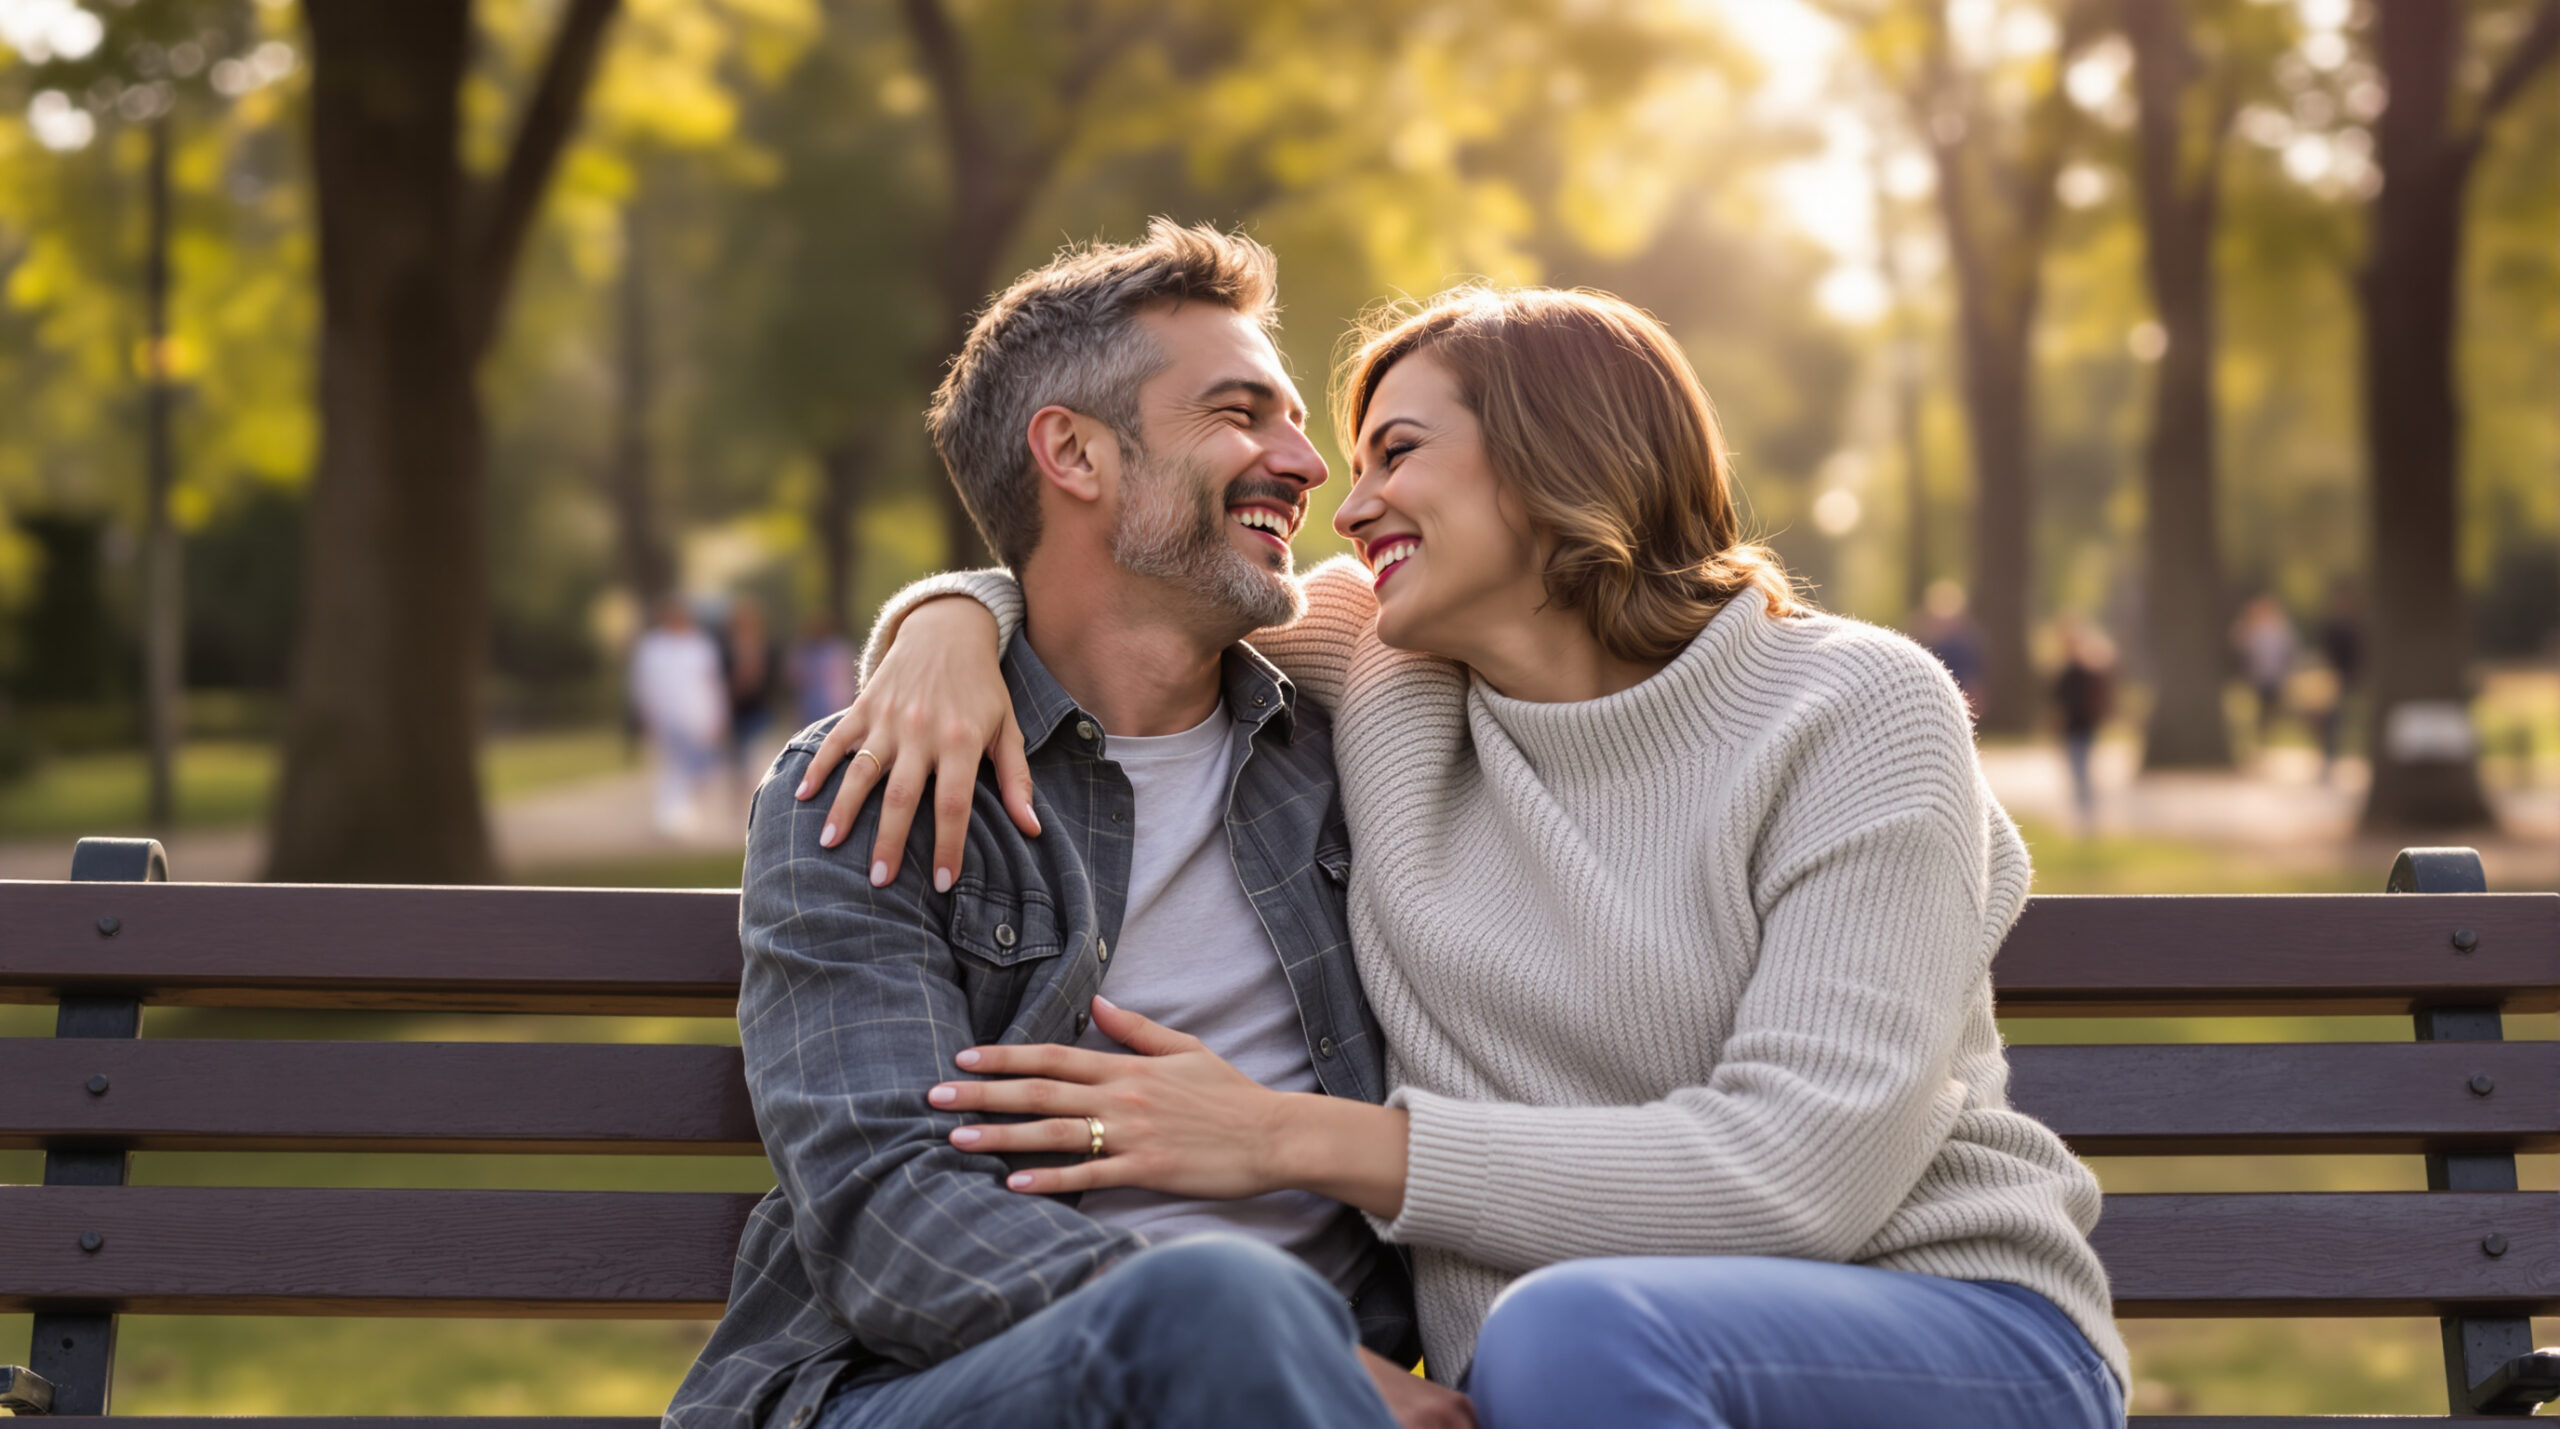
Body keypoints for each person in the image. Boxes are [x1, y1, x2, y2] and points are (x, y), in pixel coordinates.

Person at [818, 286, 2128, 1428]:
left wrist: (1286, 1135)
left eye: (1396, 450)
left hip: (1933, 1330)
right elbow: (1122, 587)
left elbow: (1801, 1174)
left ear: (1559, 457)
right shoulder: (1386, 663)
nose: (1354, 496)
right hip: (1565, 1375)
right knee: (1564, 1340)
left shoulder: (1854, 708)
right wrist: (946, 619)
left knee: (1572, 1335)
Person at [665, 222, 1445, 1429]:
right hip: (927, 1391)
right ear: (1072, 452)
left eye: (1296, 422)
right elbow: (888, 1209)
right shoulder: (875, 781)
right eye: (1242, 413)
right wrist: (1292, 1354)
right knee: (1217, 1307)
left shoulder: (1360, 729)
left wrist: (947, 607)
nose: (1305, 462)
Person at [628, 594, 728, 836]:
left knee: (698, 768)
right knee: (671, 767)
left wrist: (718, 716)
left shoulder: (700, 645)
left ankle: (686, 810)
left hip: (697, 715)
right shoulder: (652, 647)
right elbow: (643, 683)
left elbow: (712, 682)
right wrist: (645, 713)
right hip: (664, 716)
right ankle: (671, 816)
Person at [2051, 617, 2115, 834]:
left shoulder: (2079, 671)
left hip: (2080, 728)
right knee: (2080, 773)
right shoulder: (2075, 670)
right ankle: (2085, 818)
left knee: (2081, 774)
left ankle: (2087, 820)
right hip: (2078, 728)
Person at [720, 595, 783, 778]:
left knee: (759, 758)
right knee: (737, 762)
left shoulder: (767, 646)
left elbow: (773, 678)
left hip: (759, 708)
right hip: (734, 710)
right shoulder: (725, 648)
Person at [2232, 594, 2296, 749]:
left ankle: (2266, 737)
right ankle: (2261, 739)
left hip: (2275, 676)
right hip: (2259, 676)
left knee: (2272, 709)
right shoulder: (2254, 630)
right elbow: (2241, 647)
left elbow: (2289, 651)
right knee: (2261, 709)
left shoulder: (2279, 630)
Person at [2315, 584, 2363, 784]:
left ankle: (2335, 759)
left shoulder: (2350, 627)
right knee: (2331, 721)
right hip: (2333, 679)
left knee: (2339, 722)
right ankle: (2330, 760)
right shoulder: (2335, 627)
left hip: (2344, 678)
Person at [785, 610, 857, 731]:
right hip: (811, 706)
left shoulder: (839, 650)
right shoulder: (804, 651)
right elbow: (793, 677)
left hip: (835, 704)